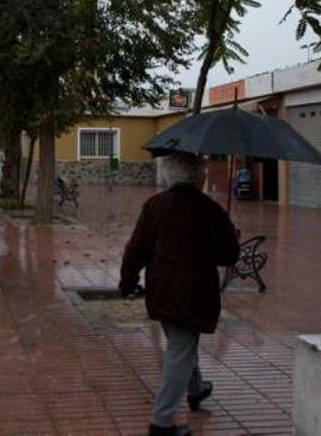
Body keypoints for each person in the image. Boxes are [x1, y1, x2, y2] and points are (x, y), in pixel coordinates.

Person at [119, 153, 240, 436]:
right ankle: (161, 424)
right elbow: (228, 256)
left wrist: (128, 282)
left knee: (181, 342)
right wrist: (231, 235)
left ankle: (195, 389)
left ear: (169, 176)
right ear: (200, 177)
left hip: (161, 289)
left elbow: (135, 249)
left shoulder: (154, 206)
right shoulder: (210, 210)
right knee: (179, 350)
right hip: (193, 293)